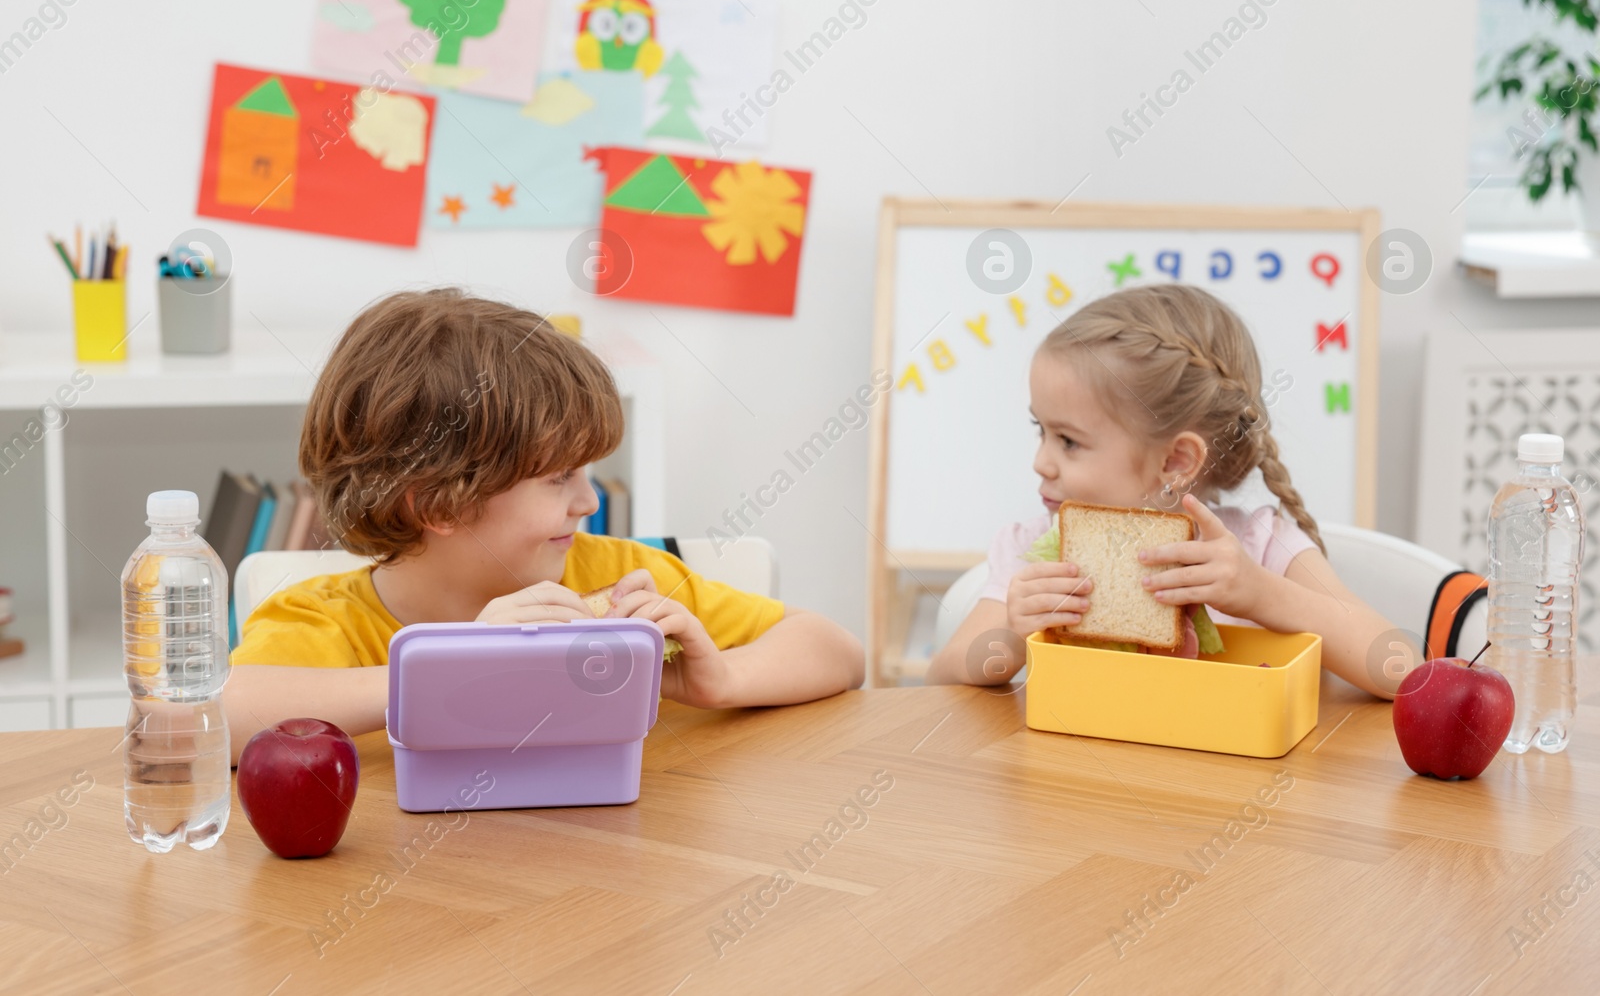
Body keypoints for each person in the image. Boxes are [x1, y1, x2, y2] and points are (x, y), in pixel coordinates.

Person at [225, 289, 864, 761]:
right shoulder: (323, 624)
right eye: (558, 478)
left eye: (587, 473)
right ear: (438, 504)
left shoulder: (625, 583)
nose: (588, 501)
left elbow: (837, 651)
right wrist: (451, 665)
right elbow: (208, 718)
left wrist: (724, 679)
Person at [925, 283, 1407, 698]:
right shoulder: (1034, 552)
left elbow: (1400, 669)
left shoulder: (1261, 547)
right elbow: (941, 682)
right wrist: (1011, 632)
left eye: (1068, 441)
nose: (1040, 461)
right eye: (1041, 430)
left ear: (1176, 461)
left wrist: (1261, 594)